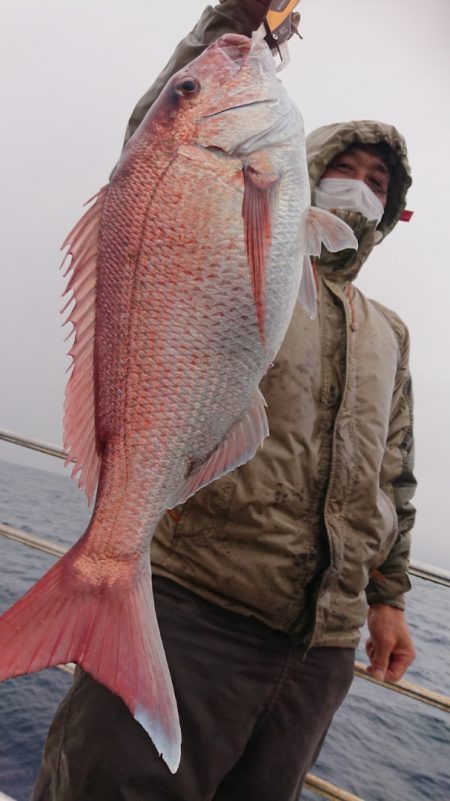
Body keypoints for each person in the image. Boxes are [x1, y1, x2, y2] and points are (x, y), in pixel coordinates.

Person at [31, 2, 417, 799]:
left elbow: (394, 473)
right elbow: (155, 146)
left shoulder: (388, 331)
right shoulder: (241, 216)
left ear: (392, 210)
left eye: (380, 182)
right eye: (350, 166)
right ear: (312, 162)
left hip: (318, 650)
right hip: (193, 612)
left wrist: (388, 599)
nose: (362, 185)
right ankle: (105, 584)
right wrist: (239, 18)